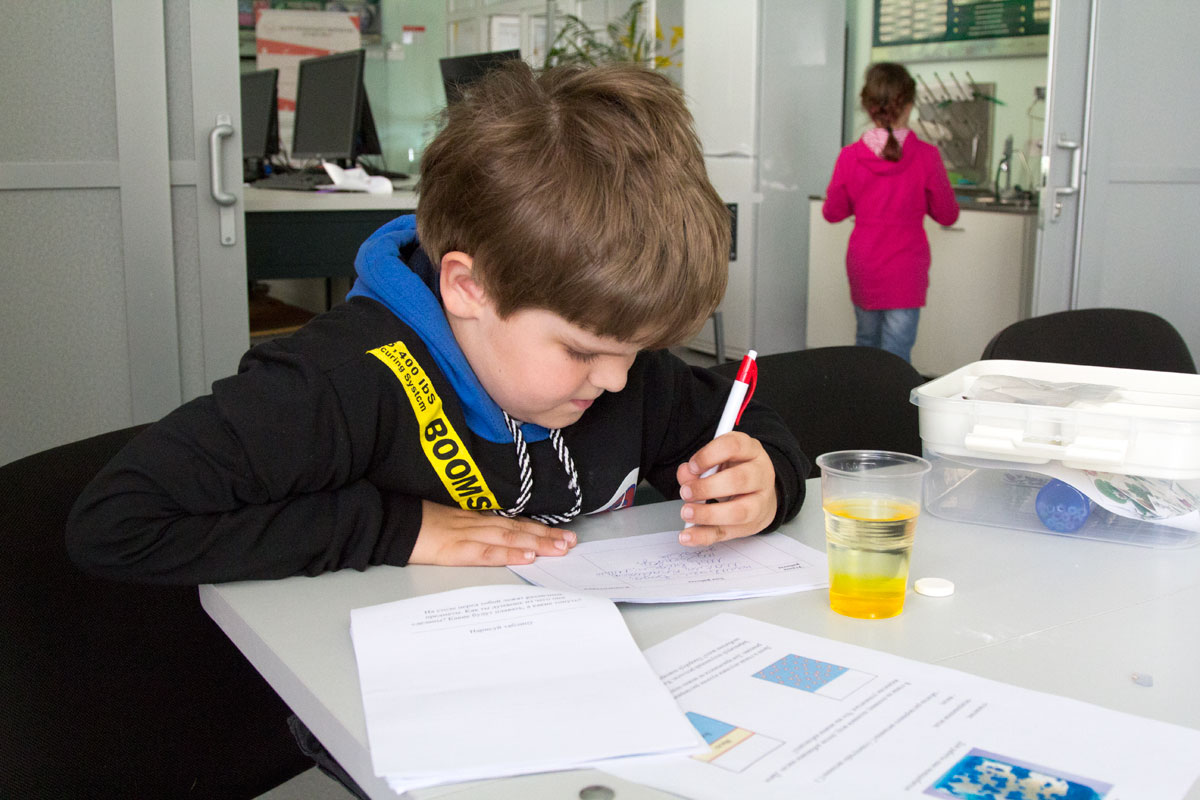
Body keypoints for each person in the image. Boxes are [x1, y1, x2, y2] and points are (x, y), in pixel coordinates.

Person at [66, 61, 809, 585]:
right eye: (583, 351)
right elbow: (119, 521)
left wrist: (765, 482)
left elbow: (746, 423)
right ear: (468, 288)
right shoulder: (344, 382)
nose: (619, 381)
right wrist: (395, 528)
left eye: (638, 350)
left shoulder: (621, 365)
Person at [822, 62, 959, 364]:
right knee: (897, 357)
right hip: (906, 273)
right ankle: (892, 398)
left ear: (867, 106)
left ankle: (864, 396)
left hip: (865, 267)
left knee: (865, 347)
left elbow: (832, 212)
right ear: (908, 106)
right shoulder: (927, 157)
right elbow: (947, 215)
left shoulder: (849, 157)